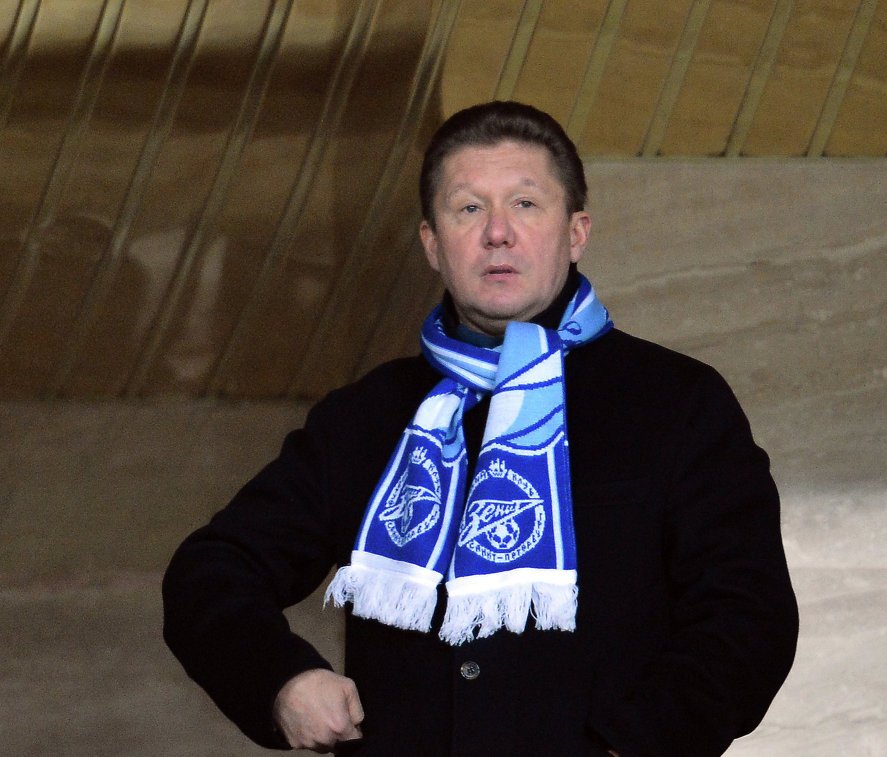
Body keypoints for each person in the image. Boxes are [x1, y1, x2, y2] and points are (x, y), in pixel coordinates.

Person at [163, 101, 798, 756]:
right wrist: (281, 681)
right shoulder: (366, 416)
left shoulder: (677, 403)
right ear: (432, 244)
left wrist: (630, 745)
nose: (497, 232)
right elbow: (210, 572)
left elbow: (748, 619)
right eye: (468, 208)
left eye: (525, 204)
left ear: (576, 232)